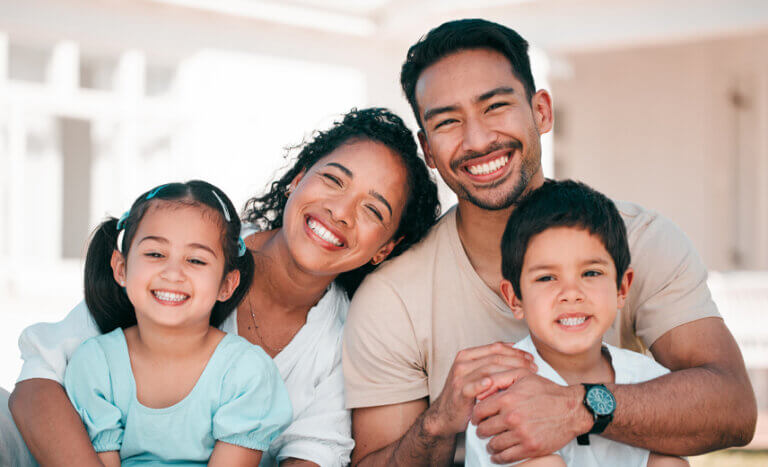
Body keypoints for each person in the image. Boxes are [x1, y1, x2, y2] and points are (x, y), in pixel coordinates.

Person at [343, 19, 756, 465]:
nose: (478, 140)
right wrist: (438, 420)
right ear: (427, 148)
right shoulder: (394, 297)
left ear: (541, 111)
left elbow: (733, 408)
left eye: (496, 106)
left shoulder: (641, 239)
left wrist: (576, 407)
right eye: (448, 122)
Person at [6, 108, 441, 466]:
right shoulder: (188, 251)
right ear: (298, 177)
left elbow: (312, 454)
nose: (340, 211)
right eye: (333, 179)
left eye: (372, 209)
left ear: (385, 247)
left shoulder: (349, 337)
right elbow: (37, 384)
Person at [66, 180, 293, 465]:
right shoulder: (95, 364)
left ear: (227, 283)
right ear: (121, 268)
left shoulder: (245, 372)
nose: (173, 273)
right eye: (155, 254)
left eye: (196, 260)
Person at [464, 179, 687, 467]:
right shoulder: (503, 388)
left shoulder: (648, 380)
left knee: (668, 461)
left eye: (591, 273)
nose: (571, 294)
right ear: (515, 298)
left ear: (621, 287)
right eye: (546, 278)